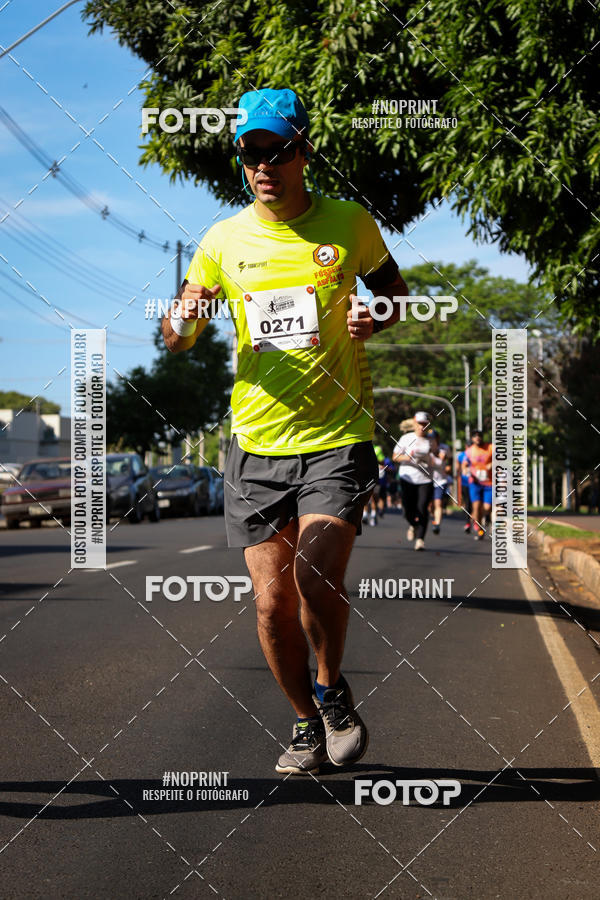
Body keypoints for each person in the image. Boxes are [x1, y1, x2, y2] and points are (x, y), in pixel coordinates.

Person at [161, 88, 408, 775]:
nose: (264, 164)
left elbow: (393, 294)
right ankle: (306, 721)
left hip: (336, 433)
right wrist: (184, 318)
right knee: (272, 606)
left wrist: (374, 318)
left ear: (304, 151)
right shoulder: (222, 241)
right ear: (240, 158)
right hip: (254, 445)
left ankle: (331, 691)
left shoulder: (349, 225)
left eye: (278, 150)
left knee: (316, 566)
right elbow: (175, 336)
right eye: (251, 152)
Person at [392, 411, 435, 550]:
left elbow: (437, 457)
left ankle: (420, 540)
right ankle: (413, 525)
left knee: (422, 508)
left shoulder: (431, 440)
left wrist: (432, 458)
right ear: (415, 423)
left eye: (425, 424)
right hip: (407, 477)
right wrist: (407, 457)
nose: (422, 426)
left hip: (425, 479)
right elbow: (395, 457)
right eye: (420, 424)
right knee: (408, 509)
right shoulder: (406, 438)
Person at [464, 429, 493, 540]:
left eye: (479, 435)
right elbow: (465, 464)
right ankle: (480, 530)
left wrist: (492, 463)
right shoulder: (470, 451)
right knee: (476, 508)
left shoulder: (490, 448)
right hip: (475, 483)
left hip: (488, 483)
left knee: (486, 507)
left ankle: (486, 518)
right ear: (472, 439)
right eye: (475, 436)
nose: (478, 438)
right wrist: (466, 469)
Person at [428, 429, 450, 535]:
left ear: (438, 438)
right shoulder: (424, 448)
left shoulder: (444, 448)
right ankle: (434, 517)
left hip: (440, 480)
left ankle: (437, 524)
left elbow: (448, 458)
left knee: (438, 502)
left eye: (433, 438)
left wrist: (449, 466)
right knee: (429, 505)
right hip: (427, 480)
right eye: (430, 438)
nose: (432, 440)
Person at [456, 439, 473, 534]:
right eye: (468, 446)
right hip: (465, 483)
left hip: (476, 482)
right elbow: (458, 468)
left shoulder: (476, 454)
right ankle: (468, 522)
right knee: (468, 503)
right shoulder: (461, 455)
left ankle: (476, 521)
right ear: (466, 447)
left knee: (475, 503)